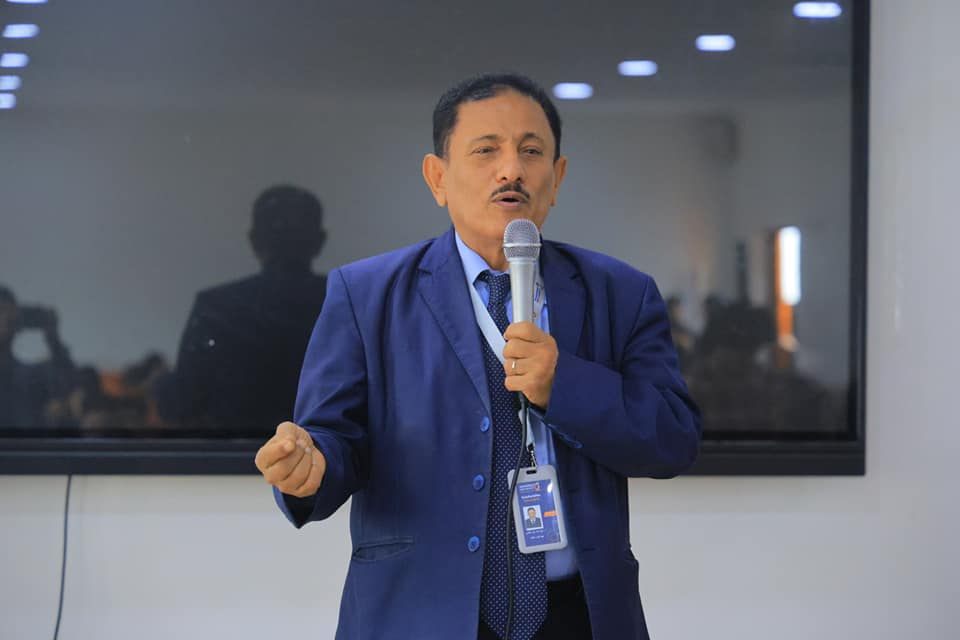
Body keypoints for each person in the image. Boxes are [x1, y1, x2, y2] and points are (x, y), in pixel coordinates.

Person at [255, 73, 701, 640]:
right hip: (419, 615)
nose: (511, 169)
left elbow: (672, 438)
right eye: (486, 150)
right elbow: (333, 438)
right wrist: (310, 468)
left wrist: (564, 384)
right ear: (437, 177)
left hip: (579, 616)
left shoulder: (621, 293)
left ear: (558, 177)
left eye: (531, 151)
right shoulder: (365, 295)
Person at [158, 185, 328, 435]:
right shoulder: (346, 303)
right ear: (319, 241)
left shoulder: (215, 307)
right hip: (327, 454)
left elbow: (182, 404)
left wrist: (158, 385)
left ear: (254, 240)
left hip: (228, 455)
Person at [0, 285, 76, 429]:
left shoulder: (30, 376)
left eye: (10, 312)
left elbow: (69, 384)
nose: (6, 318)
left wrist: (53, 338)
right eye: (1, 311)